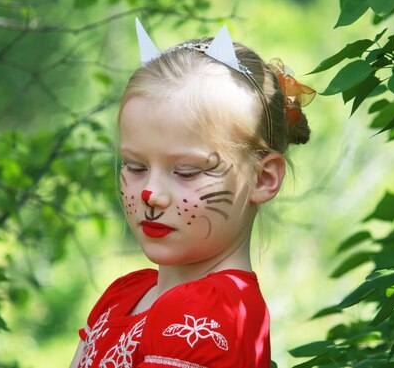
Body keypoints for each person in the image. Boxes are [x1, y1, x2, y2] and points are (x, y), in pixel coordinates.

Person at [69, 18, 314, 368]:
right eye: (135, 166)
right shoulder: (124, 295)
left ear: (263, 178)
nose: (151, 193)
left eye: (186, 171)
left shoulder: (207, 314)